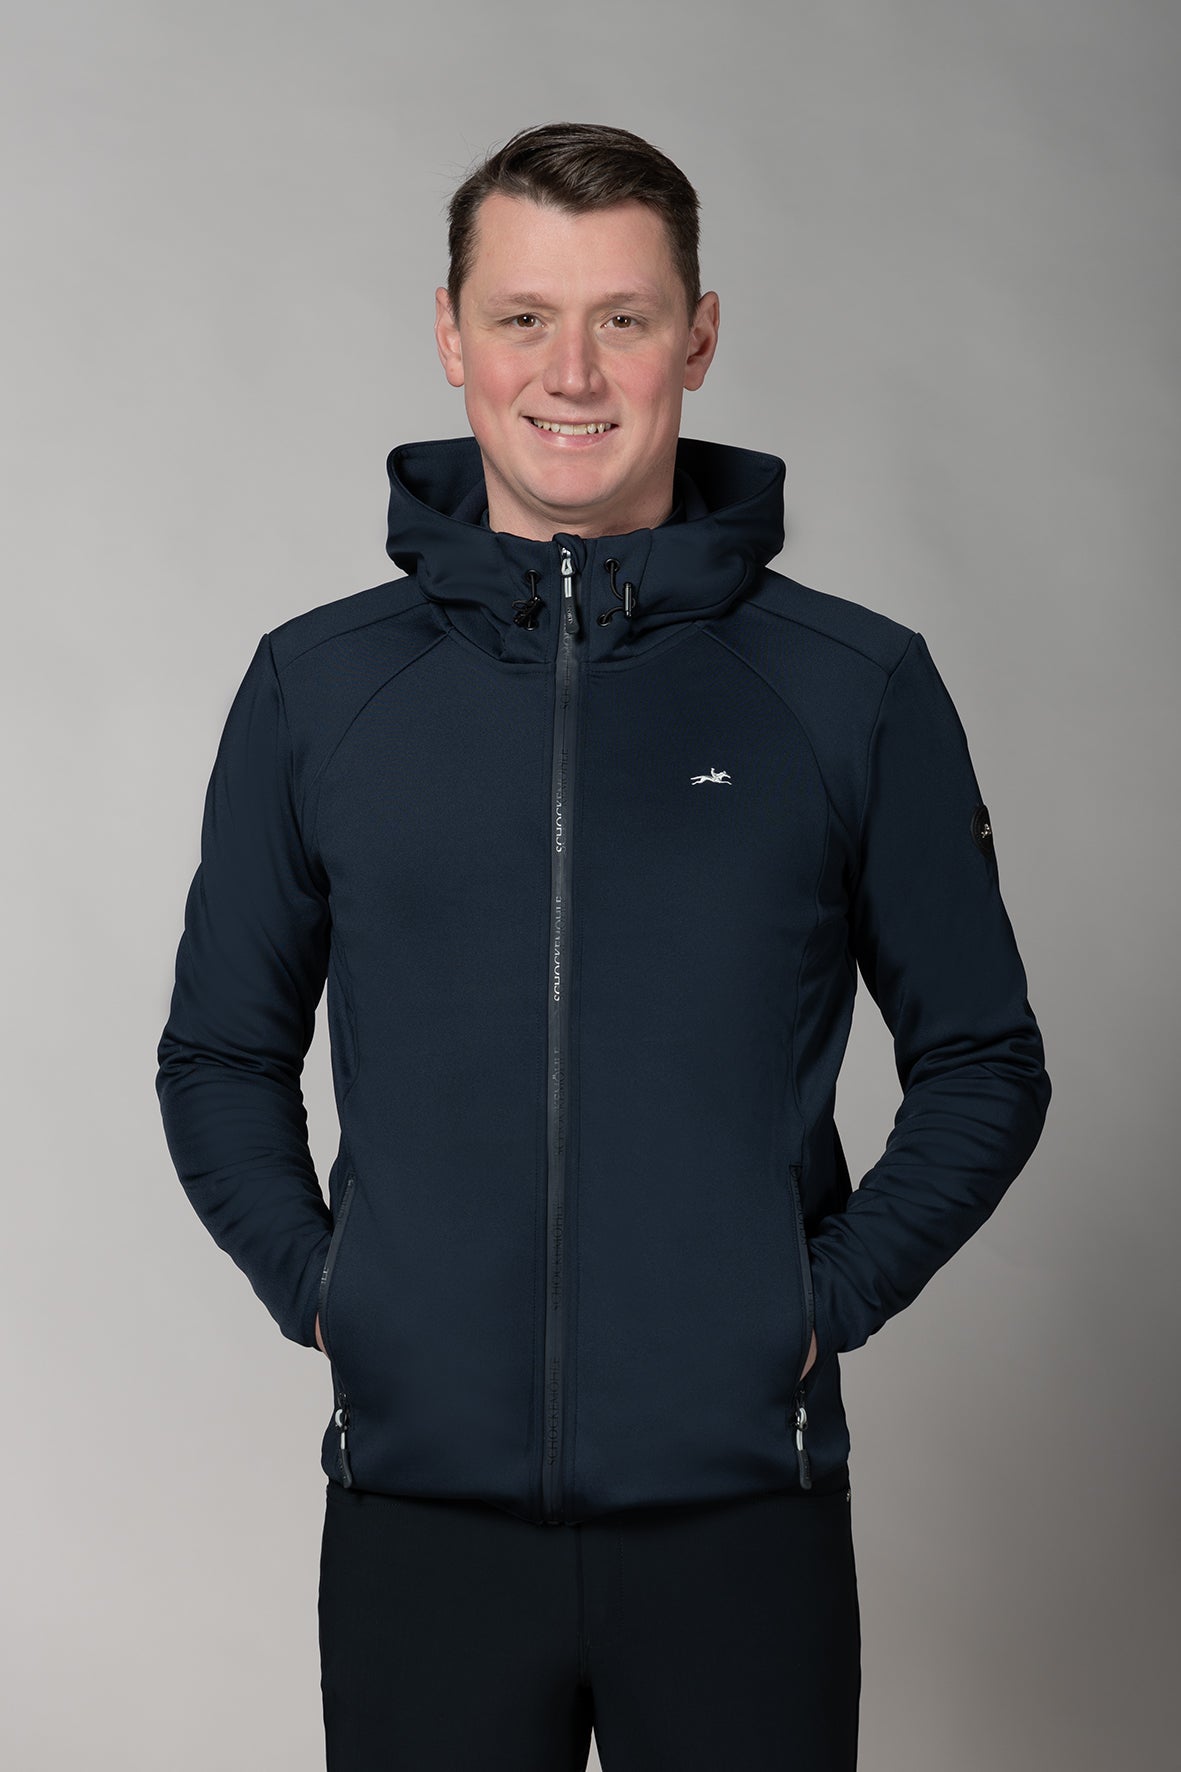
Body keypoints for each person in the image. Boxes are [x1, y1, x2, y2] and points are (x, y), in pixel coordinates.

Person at [155, 121, 1051, 1771]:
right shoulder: (318, 690)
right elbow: (218, 1052)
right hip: (421, 1518)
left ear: (695, 337)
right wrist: (335, 1296)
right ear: (452, 335)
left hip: (741, 1516)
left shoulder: (849, 688)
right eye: (523, 318)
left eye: (621, 319)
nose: (570, 373)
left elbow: (984, 1059)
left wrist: (811, 1303)